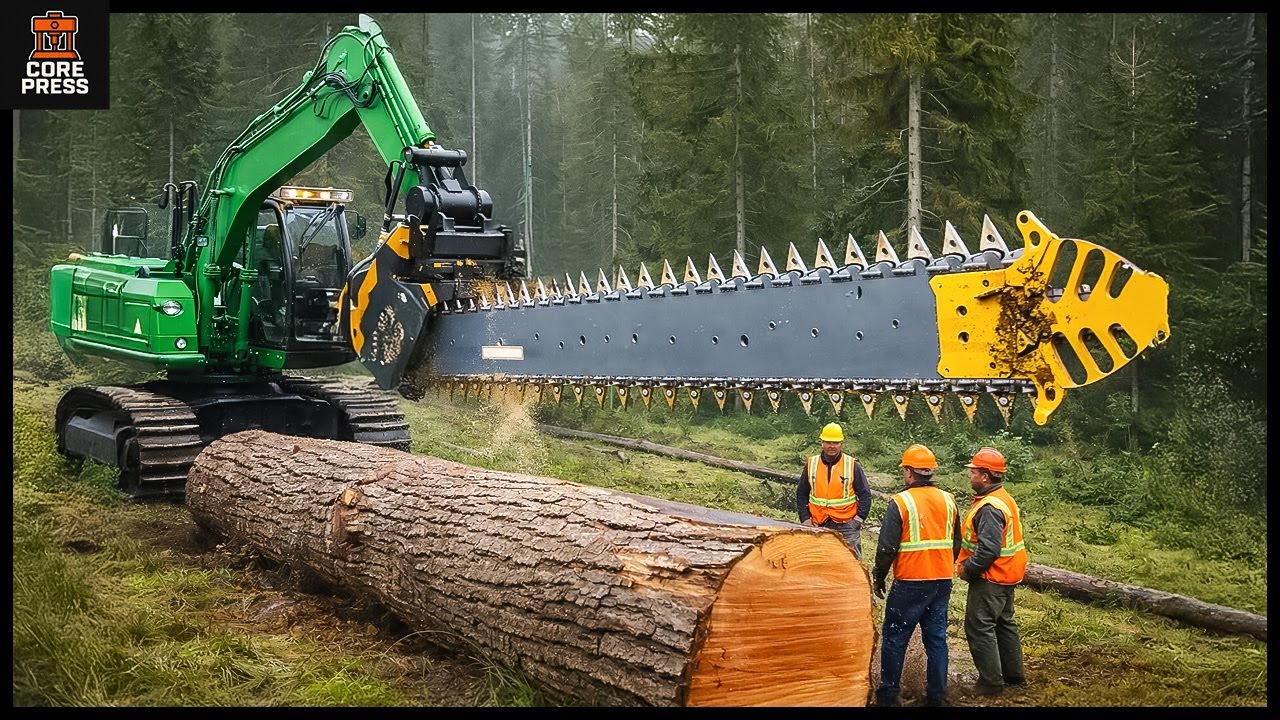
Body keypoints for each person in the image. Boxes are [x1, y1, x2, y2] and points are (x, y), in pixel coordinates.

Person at [872, 443, 961, 707]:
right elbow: (957, 542)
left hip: (910, 582)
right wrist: (943, 563)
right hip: (941, 581)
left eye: (905, 471)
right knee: (936, 639)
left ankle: (889, 696)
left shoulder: (901, 502)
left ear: (910, 472)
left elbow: (887, 547)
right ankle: (937, 696)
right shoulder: (949, 500)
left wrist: (879, 576)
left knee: (895, 638)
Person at [957, 446, 1028, 696]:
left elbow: (988, 549)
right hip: (1008, 574)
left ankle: (990, 683)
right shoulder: (1003, 497)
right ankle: (1013, 676)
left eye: (974, 471)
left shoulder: (989, 507)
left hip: (991, 577)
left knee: (979, 626)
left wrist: (969, 570)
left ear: (985, 476)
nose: (970, 475)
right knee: (1004, 623)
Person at [796, 422, 872, 560]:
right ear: (822, 443)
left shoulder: (852, 465)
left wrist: (858, 520)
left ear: (841, 443)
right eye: (828, 442)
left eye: (835, 442)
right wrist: (805, 519)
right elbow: (801, 492)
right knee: (819, 561)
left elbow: (865, 494)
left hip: (846, 525)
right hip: (818, 523)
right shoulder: (812, 464)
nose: (832, 446)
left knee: (851, 563)